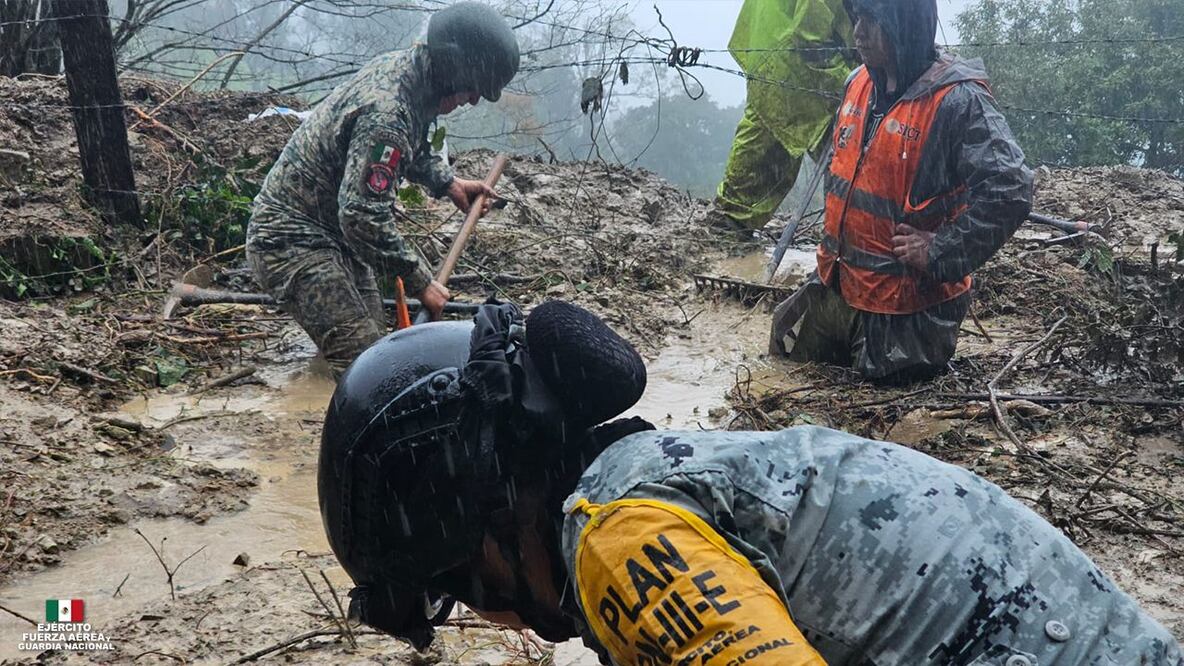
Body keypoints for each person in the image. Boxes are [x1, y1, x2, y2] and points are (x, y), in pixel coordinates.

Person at [317, 299, 1183, 665]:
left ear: (489, 520)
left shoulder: (616, 537)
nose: (498, 623)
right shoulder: (679, 472)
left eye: (462, 593)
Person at [246, 1, 518, 378]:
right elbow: (361, 216)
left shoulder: (412, 76)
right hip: (290, 242)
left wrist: (448, 182)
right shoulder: (387, 112)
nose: (473, 99)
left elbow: (410, 147)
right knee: (370, 370)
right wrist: (423, 282)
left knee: (376, 350)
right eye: (473, 89)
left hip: (335, 237)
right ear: (453, 69)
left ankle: (319, 386)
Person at [768, 0, 1033, 383]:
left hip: (906, 313)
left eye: (873, 21)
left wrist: (940, 248)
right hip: (837, 285)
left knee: (874, 419)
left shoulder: (958, 101)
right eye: (857, 18)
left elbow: (1011, 189)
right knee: (787, 382)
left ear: (906, 26)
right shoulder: (857, 82)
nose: (859, 33)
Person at [709, 0, 856, 234]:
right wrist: (854, 80)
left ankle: (730, 225)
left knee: (767, 138)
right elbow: (811, 38)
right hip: (793, 57)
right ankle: (848, 240)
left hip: (776, 44)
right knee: (850, 158)